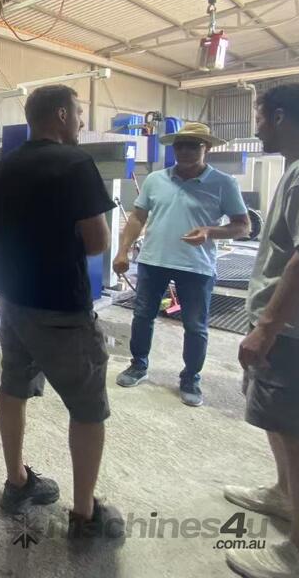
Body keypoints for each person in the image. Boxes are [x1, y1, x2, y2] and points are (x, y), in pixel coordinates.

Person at [0, 84, 123, 539]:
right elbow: (97, 242)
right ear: (61, 115)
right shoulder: (76, 163)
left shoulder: (9, 163)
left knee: (13, 386)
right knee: (88, 407)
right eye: (79, 113)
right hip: (61, 307)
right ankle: (85, 516)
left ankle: (17, 483)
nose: (81, 122)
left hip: (13, 302)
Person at [224, 83, 299, 578]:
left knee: (298, 434)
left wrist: (267, 327)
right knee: (279, 421)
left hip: (293, 332)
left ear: (277, 116)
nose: (255, 128)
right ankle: (284, 493)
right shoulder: (295, 169)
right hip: (283, 328)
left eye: (257, 117)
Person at [113, 122, 249, 407]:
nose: (185, 151)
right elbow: (137, 217)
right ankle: (138, 365)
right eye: (180, 145)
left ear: (206, 147)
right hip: (153, 261)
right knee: (142, 316)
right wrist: (123, 251)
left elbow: (242, 226)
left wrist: (210, 231)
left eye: (193, 145)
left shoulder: (224, 183)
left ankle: (190, 379)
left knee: (195, 326)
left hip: (196, 266)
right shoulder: (155, 180)